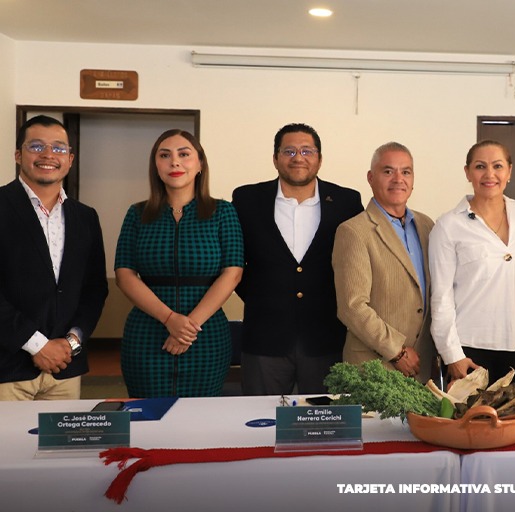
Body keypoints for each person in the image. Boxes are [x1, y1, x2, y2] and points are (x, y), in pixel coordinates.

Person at [232, 123, 363, 395]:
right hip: (264, 337)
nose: (298, 158)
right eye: (289, 151)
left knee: (327, 417)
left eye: (307, 151)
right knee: (261, 416)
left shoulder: (346, 201)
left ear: (319, 159)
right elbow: (232, 261)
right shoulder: (247, 199)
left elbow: (357, 265)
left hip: (328, 338)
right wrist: (262, 295)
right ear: (275, 158)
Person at [114, 129, 243, 397]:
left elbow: (232, 273)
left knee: (202, 415)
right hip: (147, 333)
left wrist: (188, 327)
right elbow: (124, 274)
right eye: (165, 156)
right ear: (155, 166)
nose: (174, 162)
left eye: (184, 154)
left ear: (200, 164)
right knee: (147, 413)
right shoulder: (137, 213)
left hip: (205, 333)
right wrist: (169, 319)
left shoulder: (223, 212)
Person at [0, 115, 108, 400]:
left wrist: (71, 342)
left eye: (58, 148)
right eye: (37, 146)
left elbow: (95, 288)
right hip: (7, 368)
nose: (48, 155)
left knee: (62, 434)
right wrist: (37, 345)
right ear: (18, 155)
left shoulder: (85, 217)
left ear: (69, 159)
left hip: (65, 368)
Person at [429, 140, 515, 388]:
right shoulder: (448, 226)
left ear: (509, 171)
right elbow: (441, 297)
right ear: (467, 172)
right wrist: (452, 355)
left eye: (497, 166)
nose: (490, 174)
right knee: (472, 414)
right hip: (470, 350)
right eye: (480, 166)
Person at [333, 142, 435, 382]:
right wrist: (397, 352)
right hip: (375, 368)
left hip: (422, 367)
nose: (398, 179)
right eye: (388, 171)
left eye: (406, 172)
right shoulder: (354, 231)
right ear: (371, 177)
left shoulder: (427, 226)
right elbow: (352, 306)